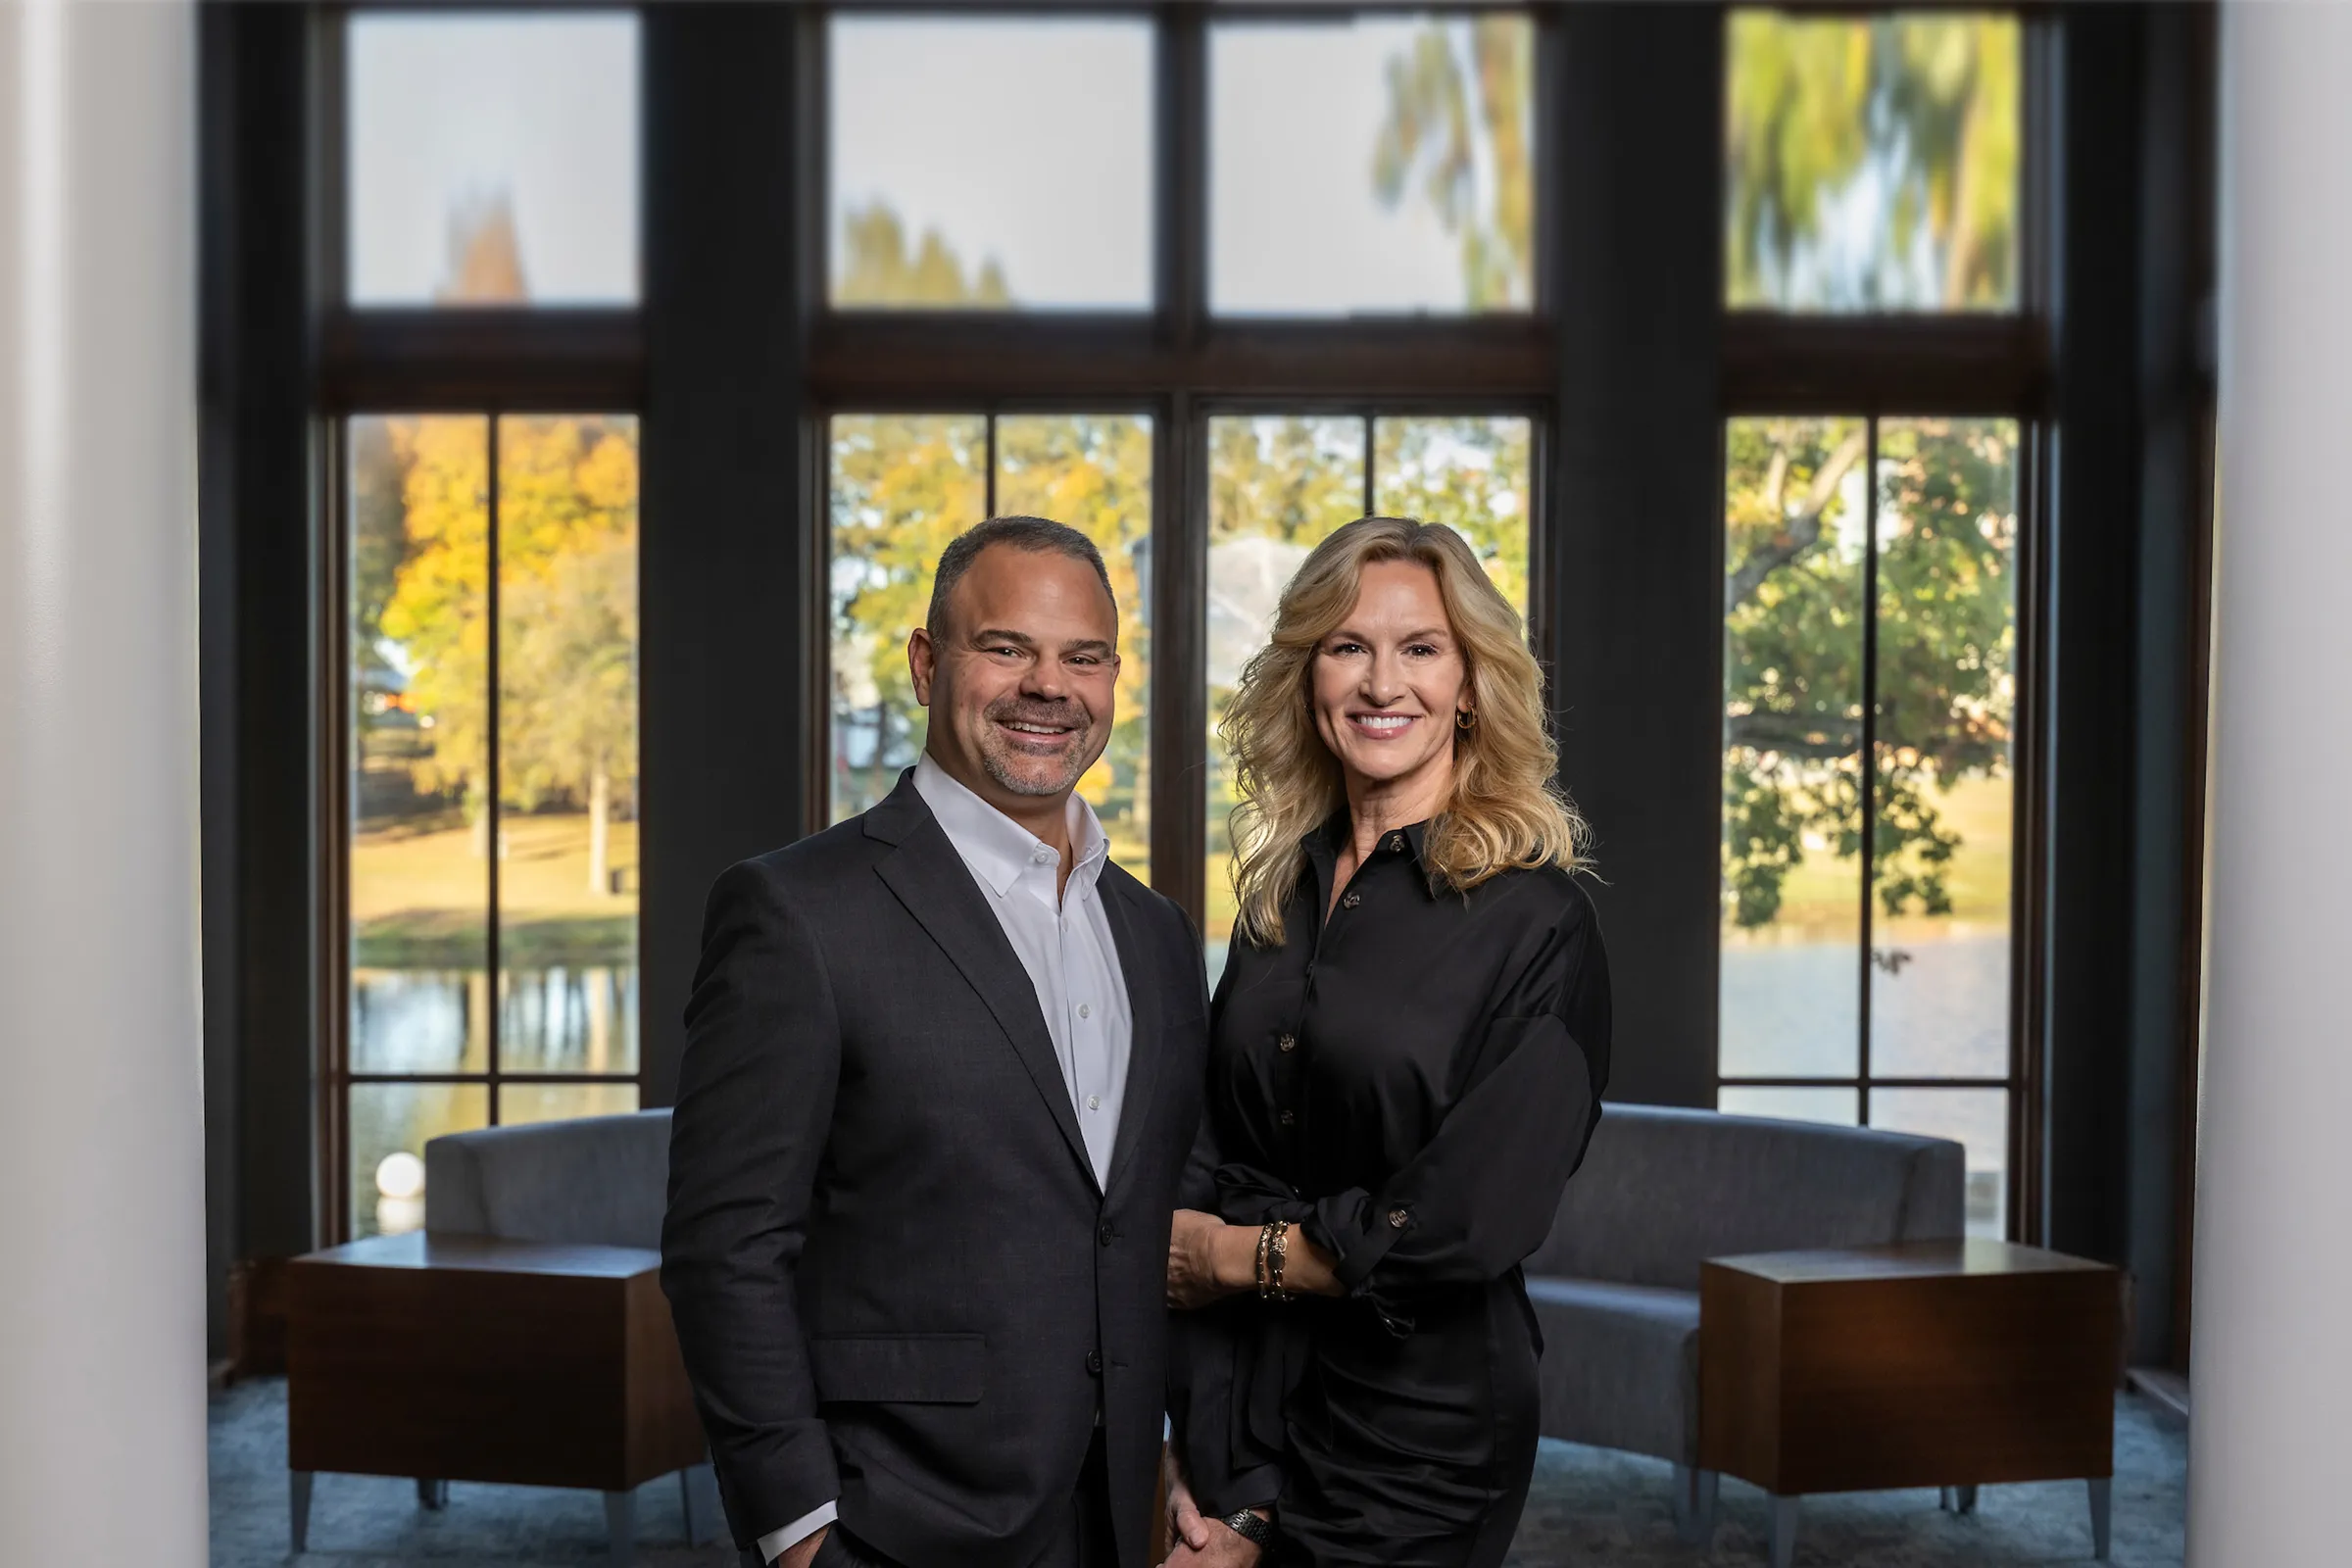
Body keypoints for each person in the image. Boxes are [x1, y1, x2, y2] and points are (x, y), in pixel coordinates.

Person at [662, 515, 1207, 1568]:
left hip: (1115, 1517)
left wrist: (1185, 1448)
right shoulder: (796, 912)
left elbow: (1147, 1225)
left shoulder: (1157, 934)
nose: (1049, 686)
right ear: (927, 663)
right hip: (892, 1523)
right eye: (1007, 648)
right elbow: (723, 1248)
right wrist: (800, 1532)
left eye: (1083, 657)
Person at [1161, 516, 1612, 1568]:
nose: (1380, 683)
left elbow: (1464, 1222)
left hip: (1416, 1432)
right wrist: (1188, 1412)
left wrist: (1226, 1256)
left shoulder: (1539, 924)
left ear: (1470, 683)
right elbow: (1216, 1138)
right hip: (1239, 1396)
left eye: (1420, 647)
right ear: (1308, 675)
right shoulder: (1278, 899)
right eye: (1347, 645)